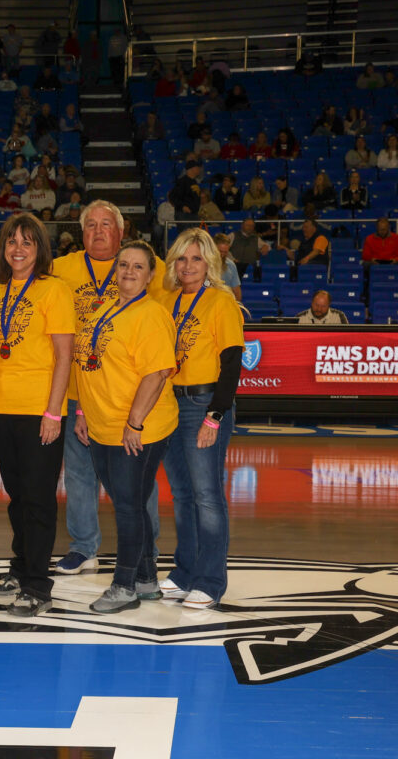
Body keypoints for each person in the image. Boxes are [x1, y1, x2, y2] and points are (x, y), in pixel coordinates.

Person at [51, 201, 165, 575]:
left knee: (136, 482)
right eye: (90, 225)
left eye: (106, 224)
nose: (98, 231)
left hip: (130, 394)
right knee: (80, 475)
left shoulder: (150, 266)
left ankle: (145, 550)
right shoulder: (61, 268)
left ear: (121, 230)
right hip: (79, 391)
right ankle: (84, 547)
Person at [73, 240, 178, 613]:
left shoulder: (150, 314)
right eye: (123, 265)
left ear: (151, 276)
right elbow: (89, 362)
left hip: (137, 429)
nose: (128, 272)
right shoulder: (106, 307)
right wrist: (84, 411)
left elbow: (157, 373)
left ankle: (124, 586)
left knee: (129, 508)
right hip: (102, 425)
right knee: (127, 503)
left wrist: (134, 423)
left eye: (137, 267)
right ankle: (147, 579)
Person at [0, 213, 73, 616]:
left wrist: (54, 412)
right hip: (2, 411)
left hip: (41, 410)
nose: (18, 249)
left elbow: (63, 354)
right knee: (17, 498)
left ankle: (38, 585)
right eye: (11, 242)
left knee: (38, 500)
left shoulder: (54, 291)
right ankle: (20, 568)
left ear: (40, 249)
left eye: (27, 242)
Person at [161, 229, 244, 609]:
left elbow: (231, 364)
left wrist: (215, 415)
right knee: (181, 494)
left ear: (210, 263)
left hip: (203, 402)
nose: (188, 265)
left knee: (207, 496)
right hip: (171, 403)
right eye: (182, 258)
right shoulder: (169, 301)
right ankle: (185, 571)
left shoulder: (221, 302)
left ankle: (210, 580)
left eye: (196, 258)